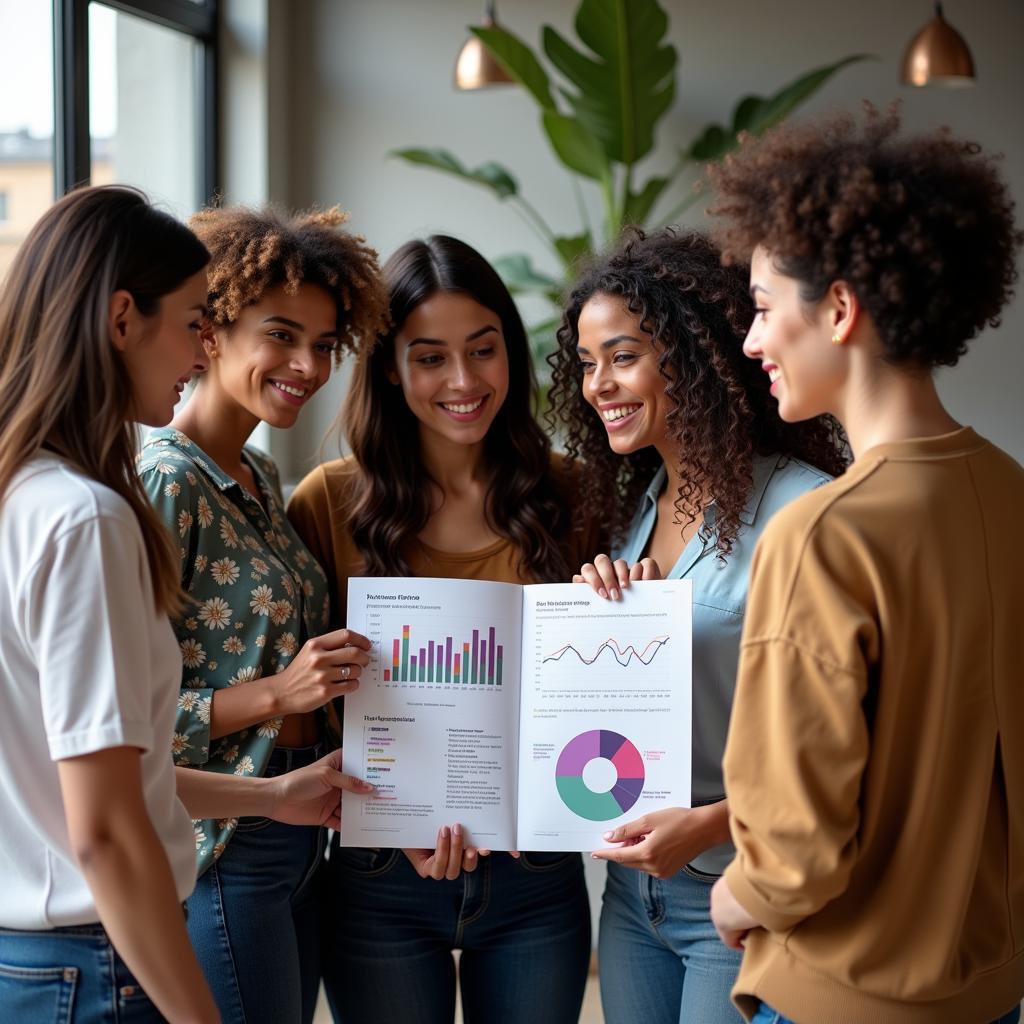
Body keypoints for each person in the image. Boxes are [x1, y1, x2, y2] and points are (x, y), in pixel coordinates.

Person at [0, 185, 375, 1024]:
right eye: (196, 321)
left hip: (74, 938)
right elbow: (103, 819)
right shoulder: (100, 510)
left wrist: (278, 797)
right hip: (104, 947)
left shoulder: (37, 494)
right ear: (123, 317)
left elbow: (104, 767)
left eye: (324, 344)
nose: (199, 350)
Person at [707, 106, 1024, 1024]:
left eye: (765, 309)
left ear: (840, 308)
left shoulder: (823, 533)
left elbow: (792, 857)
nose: (752, 341)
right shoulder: (1011, 495)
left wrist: (733, 901)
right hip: (991, 989)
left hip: (842, 996)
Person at [287, 235, 597, 1024]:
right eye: (430, 357)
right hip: (380, 875)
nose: (463, 381)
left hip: (536, 872)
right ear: (390, 368)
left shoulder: (571, 495)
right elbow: (301, 713)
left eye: (483, 350)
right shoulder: (328, 503)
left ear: (509, 356)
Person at [547, 227, 847, 1024]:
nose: (598, 385)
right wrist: (605, 612)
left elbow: (857, 745)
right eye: (586, 364)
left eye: (622, 356)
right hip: (632, 898)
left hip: (738, 893)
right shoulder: (634, 513)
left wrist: (711, 825)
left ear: (695, 352)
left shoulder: (804, 511)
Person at [138, 204, 390, 1024]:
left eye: (323, 345)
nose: (308, 364)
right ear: (210, 331)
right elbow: (125, 724)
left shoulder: (257, 475)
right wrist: (280, 697)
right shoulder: (166, 482)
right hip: (228, 840)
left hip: (301, 826)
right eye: (281, 336)